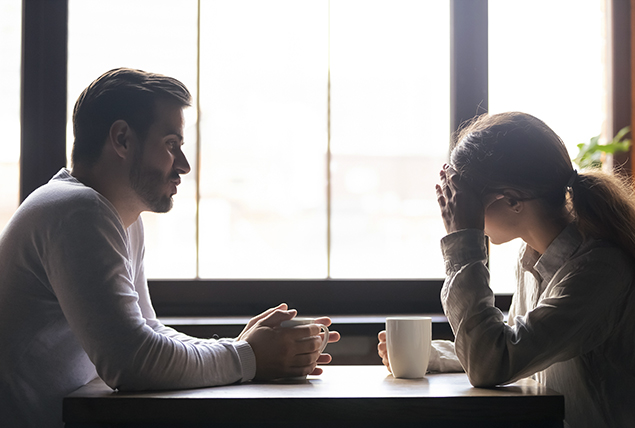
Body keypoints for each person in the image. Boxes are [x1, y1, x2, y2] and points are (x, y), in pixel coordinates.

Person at [0, 68, 339, 428]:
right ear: (122, 139)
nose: (184, 165)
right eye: (171, 145)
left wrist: (242, 345)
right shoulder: (78, 211)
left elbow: (148, 332)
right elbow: (132, 363)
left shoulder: (115, 218)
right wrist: (249, 356)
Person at [377, 112, 635, 427]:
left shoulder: (598, 271)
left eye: (464, 198)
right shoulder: (532, 258)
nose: (456, 208)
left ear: (512, 200)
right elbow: (515, 346)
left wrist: (463, 241)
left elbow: (493, 363)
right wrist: (430, 355)